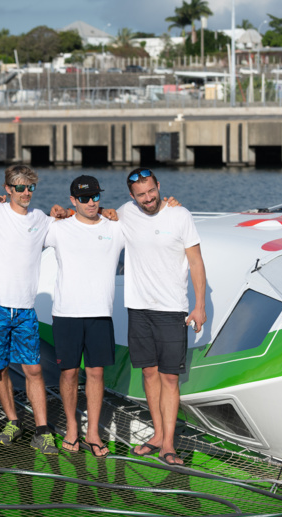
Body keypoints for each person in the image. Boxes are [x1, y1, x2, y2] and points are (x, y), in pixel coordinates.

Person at [120, 168, 207, 466]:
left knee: (170, 377)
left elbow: (196, 262)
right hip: (138, 308)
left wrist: (199, 306)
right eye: (141, 195)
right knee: (149, 373)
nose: (148, 198)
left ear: (159, 185)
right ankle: (157, 434)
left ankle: (168, 444)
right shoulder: (126, 213)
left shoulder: (179, 215)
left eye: (151, 191)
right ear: (132, 196)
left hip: (172, 309)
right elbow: (99, 215)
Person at [44, 176, 125, 457]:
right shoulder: (58, 228)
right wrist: (57, 212)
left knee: (96, 373)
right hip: (66, 312)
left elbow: (146, 220)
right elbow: (23, 235)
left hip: (100, 313)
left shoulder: (115, 228)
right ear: (73, 200)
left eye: (95, 197)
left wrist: (170, 204)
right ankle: (71, 427)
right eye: (84, 198)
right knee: (68, 373)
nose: (91, 202)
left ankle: (93, 432)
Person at [0, 166, 58, 454]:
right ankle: (13, 421)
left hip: (25, 309)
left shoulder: (41, 219)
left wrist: (64, 212)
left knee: (33, 370)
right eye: (20, 188)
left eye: (30, 188)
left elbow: (71, 223)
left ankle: (42, 430)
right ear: (8, 189)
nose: (26, 193)